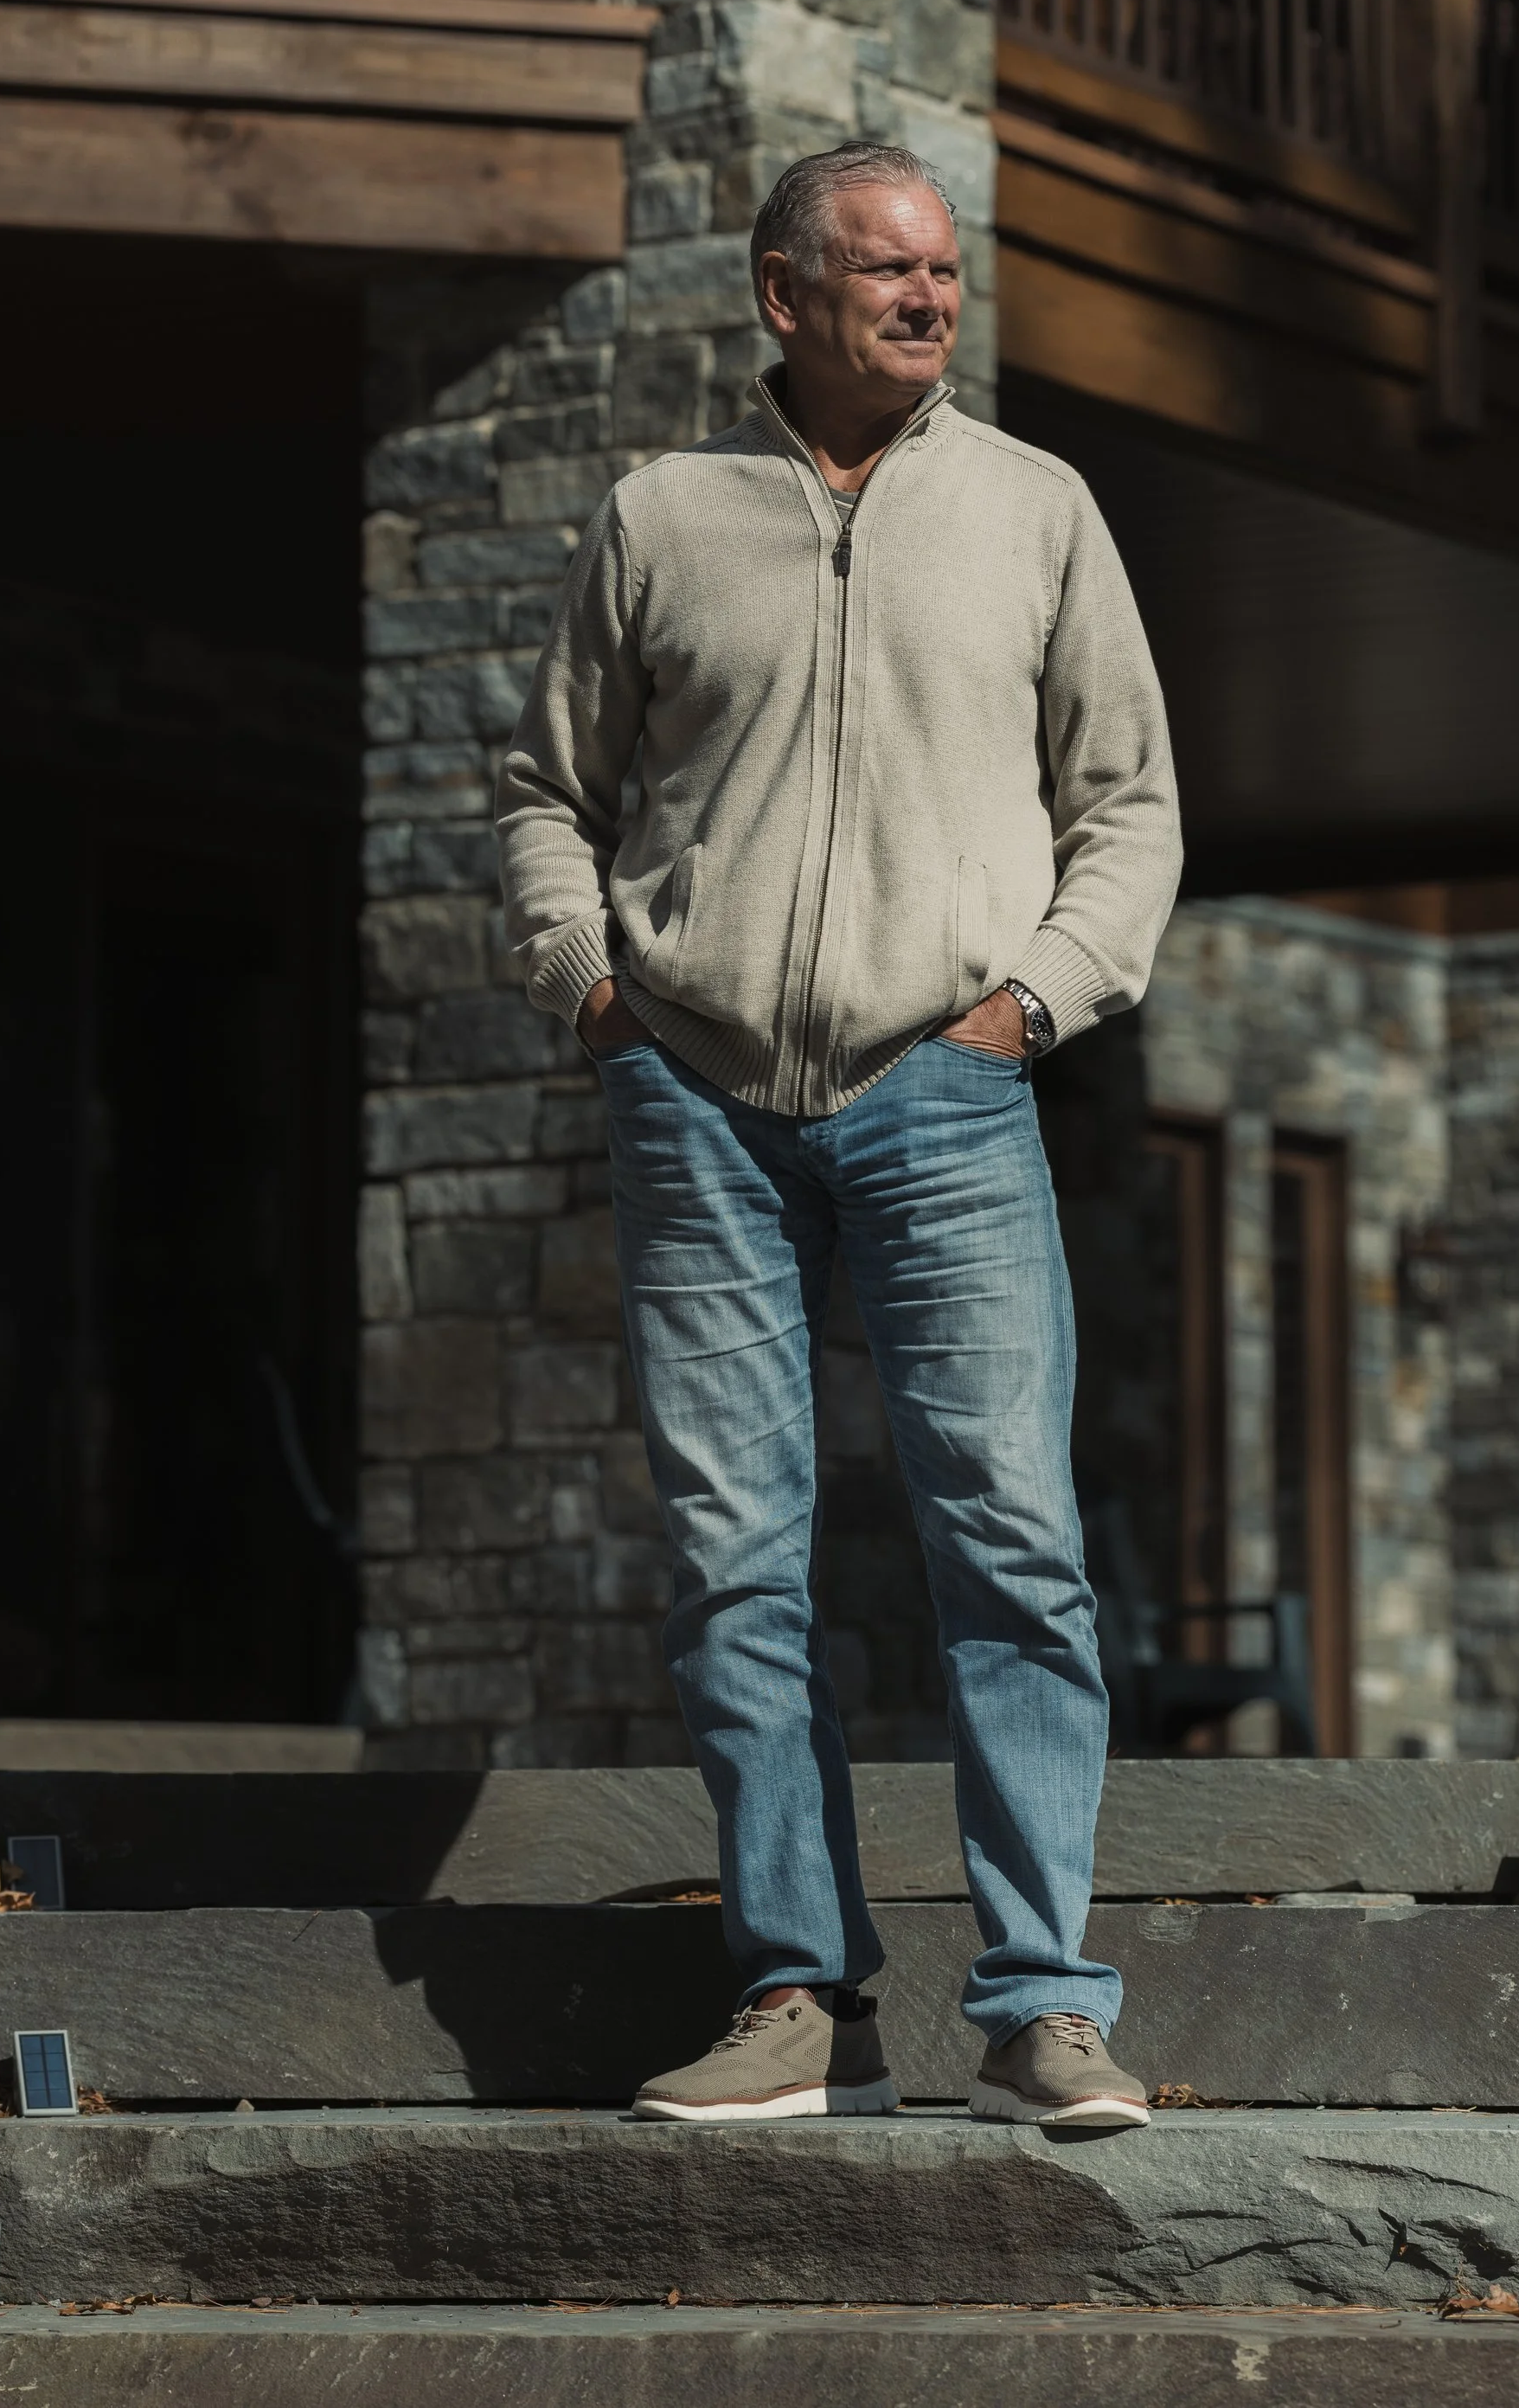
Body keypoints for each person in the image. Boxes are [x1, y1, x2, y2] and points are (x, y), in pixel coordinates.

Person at [497, 138, 1181, 2131]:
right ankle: (794, 1994)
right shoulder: (659, 515)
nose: (928, 301)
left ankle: (1044, 2003)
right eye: (884, 272)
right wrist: (595, 988)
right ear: (780, 292)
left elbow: (1125, 805)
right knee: (735, 1559)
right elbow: (549, 788)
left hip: (943, 1092)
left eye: (946, 275)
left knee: (1014, 1547)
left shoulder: (1035, 511)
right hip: (692, 1093)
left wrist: (1027, 1005)